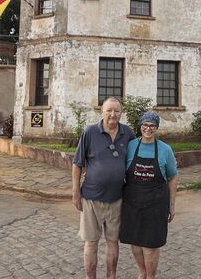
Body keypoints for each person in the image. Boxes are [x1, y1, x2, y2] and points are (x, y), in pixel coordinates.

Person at [72, 97, 136, 279]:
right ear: (102, 112)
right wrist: (76, 193)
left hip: (117, 198)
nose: (112, 114)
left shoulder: (128, 133)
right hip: (91, 198)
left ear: (121, 113)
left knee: (113, 242)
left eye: (116, 111)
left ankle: (111, 276)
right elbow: (77, 164)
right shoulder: (90, 132)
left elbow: (137, 158)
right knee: (91, 242)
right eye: (109, 110)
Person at [119, 111, 179, 279]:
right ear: (140, 126)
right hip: (132, 202)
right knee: (135, 242)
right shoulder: (131, 146)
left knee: (151, 245)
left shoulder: (165, 149)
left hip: (156, 204)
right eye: (145, 125)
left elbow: (172, 177)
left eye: (152, 125)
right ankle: (142, 272)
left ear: (157, 128)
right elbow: (116, 167)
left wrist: (172, 205)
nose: (148, 128)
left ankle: (151, 276)